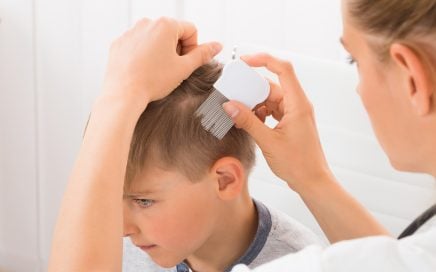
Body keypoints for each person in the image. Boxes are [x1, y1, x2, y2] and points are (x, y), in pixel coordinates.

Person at [48, 0, 436, 270]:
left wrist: (120, 94)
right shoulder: (137, 250)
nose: (119, 227)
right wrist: (311, 178)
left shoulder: (296, 260)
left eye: (354, 61)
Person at [121, 61, 320, 272]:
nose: (122, 228)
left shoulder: (302, 264)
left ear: (224, 180)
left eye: (143, 201)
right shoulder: (128, 249)